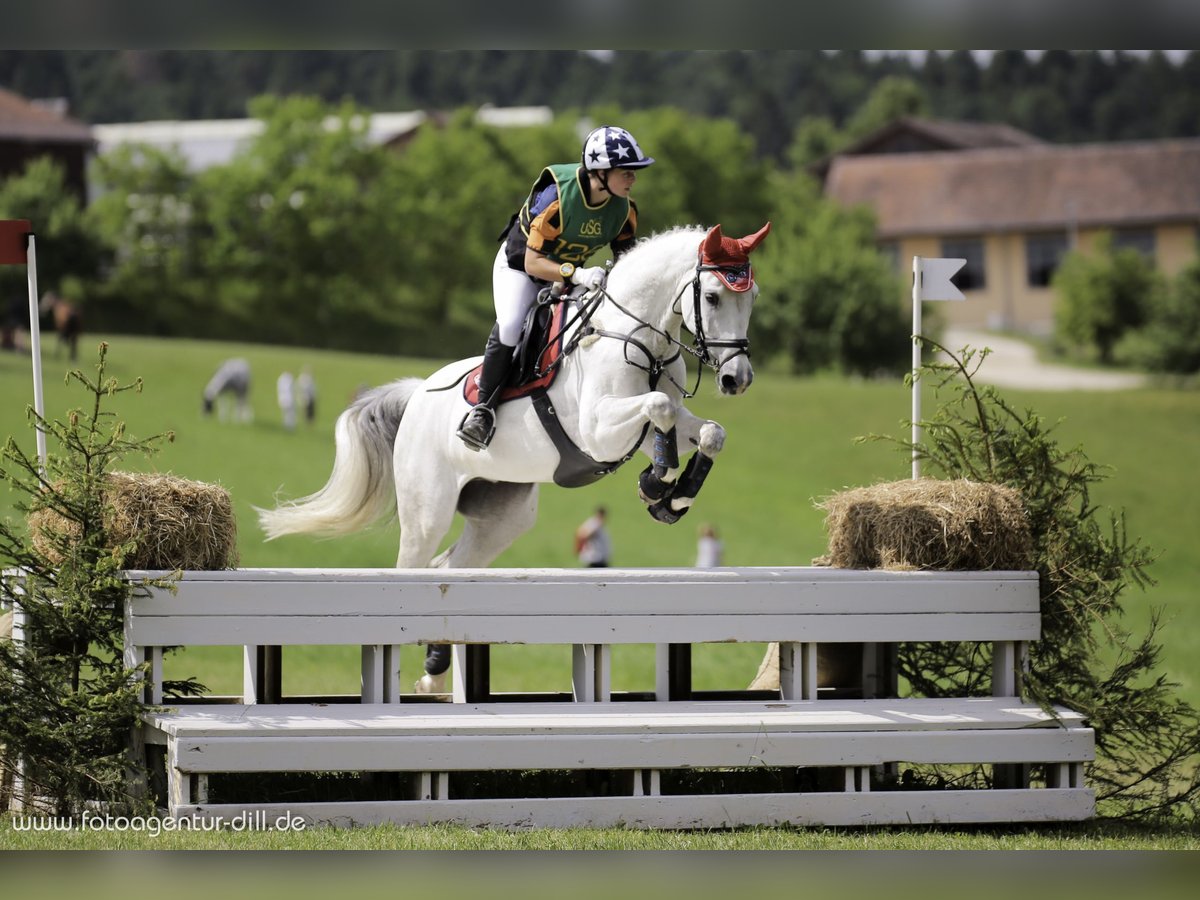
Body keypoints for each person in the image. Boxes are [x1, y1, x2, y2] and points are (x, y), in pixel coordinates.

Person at [456, 125, 655, 450]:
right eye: (627, 172)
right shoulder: (557, 197)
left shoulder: (623, 210)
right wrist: (576, 275)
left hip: (568, 277)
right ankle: (482, 412)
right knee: (510, 326)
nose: (633, 178)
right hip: (521, 269)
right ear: (601, 172)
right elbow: (534, 262)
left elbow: (626, 263)